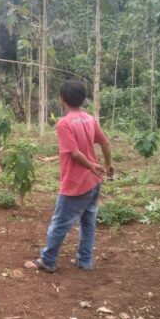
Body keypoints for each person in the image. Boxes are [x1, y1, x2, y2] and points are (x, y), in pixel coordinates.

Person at [25, 80, 113, 273]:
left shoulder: (64, 123)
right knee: (88, 222)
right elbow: (105, 143)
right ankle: (85, 261)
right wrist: (108, 165)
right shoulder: (90, 119)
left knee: (60, 222)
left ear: (62, 99)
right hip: (94, 182)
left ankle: (48, 260)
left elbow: (73, 153)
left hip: (76, 183)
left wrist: (90, 166)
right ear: (82, 99)